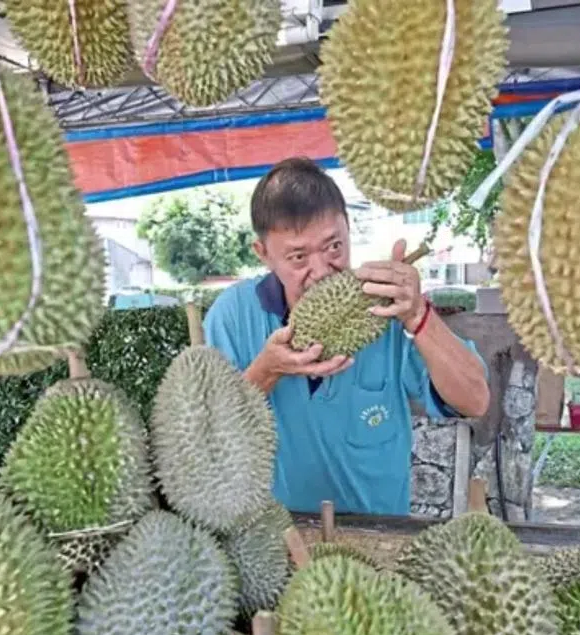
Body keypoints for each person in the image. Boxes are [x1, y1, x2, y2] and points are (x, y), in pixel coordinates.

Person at [203, 157, 490, 515]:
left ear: (349, 229)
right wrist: (266, 370)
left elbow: (475, 401)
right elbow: (209, 438)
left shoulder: (388, 309)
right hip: (277, 540)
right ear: (263, 254)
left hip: (380, 536)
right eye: (297, 256)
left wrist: (419, 316)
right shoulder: (231, 316)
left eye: (333, 247)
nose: (322, 271)